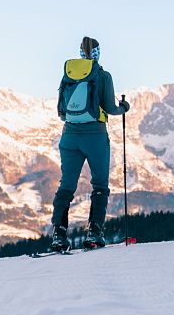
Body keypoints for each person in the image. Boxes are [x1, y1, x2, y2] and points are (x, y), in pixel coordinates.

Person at [51, 36, 130, 251]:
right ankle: (94, 234)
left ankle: (58, 235)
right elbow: (111, 108)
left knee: (66, 185)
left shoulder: (68, 74)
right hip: (95, 136)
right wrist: (124, 107)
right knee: (100, 185)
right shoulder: (103, 76)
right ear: (97, 54)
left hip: (69, 136)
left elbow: (61, 111)